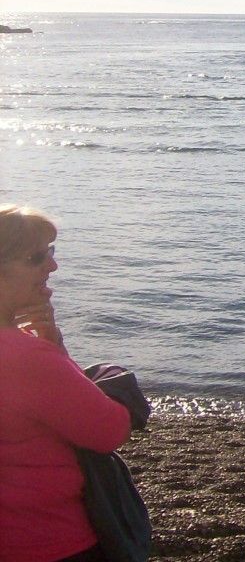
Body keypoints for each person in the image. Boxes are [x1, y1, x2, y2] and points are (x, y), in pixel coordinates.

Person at [0, 205, 137, 562]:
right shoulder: (24, 358)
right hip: (44, 540)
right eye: (35, 258)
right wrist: (56, 354)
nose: (52, 266)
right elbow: (108, 429)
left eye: (51, 252)